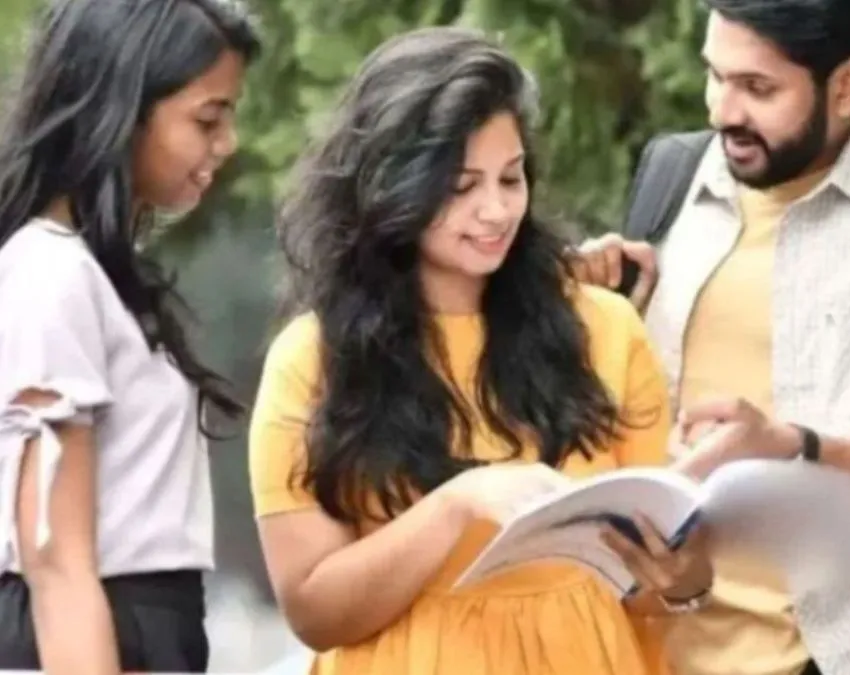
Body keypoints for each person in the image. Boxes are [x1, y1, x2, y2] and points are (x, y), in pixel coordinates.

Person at [247, 27, 713, 675]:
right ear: (394, 185)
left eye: (510, 178)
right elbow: (314, 610)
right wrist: (457, 503)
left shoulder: (604, 328)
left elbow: (653, 589)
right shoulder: (313, 358)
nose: (495, 210)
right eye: (462, 186)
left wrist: (685, 578)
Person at [575, 0, 850, 672]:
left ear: (848, 83)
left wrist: (796, 449)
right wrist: (599, 309)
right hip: (667, 648)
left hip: (847, 653)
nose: (723, 110)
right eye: (715, 75)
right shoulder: (675, 179)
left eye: (758, 87)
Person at [0, 0, 260, 673]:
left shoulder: (94, 275)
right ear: (122, 107)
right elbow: (56, 562)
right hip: (96, 633)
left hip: (147, 628)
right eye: (207, 119)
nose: (227, 143)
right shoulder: (51, 272)